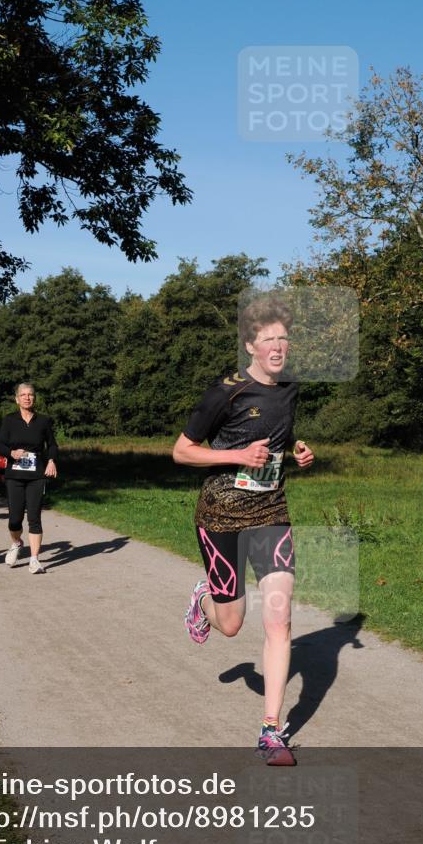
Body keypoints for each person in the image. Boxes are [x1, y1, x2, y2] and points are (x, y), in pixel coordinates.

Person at [172, 297, 314, 765]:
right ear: (251, 345)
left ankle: (271, 730)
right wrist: (236, 457)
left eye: (283, 338)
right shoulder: (225, 392)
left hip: (271, 511)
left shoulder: (290, 386)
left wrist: (296, 450)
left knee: (280, 619)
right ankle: (205, 598)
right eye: (268, 338)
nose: (278, 345)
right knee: (231, 625)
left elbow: (278, 430)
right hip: (221, 515)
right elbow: (182, 451)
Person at [0, 382, 58, 574]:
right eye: (23, 395)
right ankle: (16, 542)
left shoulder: (43, 421)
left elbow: (52, 445)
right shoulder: (9, 420)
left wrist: (51, 461)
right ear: (17, 399)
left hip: (36, 475)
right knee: (15, 519)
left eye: (30, 394)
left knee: (34, 517)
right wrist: (11, 453)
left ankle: (34, 559)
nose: (27, 397)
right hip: (14, 475)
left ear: (34, 398)